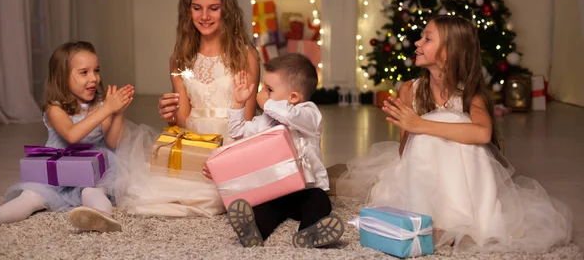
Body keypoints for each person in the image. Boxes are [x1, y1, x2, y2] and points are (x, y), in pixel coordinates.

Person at [338, 15, 572, 252]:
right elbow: (405, 153)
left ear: (448, 53)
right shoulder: (410, 90)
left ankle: (462, 220)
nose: (417, 43)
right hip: (420, 174)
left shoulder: (471, 94)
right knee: (435, 128)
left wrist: (420, 124)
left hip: (464, 177)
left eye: (427, 39)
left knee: (453, 121)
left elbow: (482, 134)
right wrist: (412, 128)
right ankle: (430, 218)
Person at [114, 0, 260, 217]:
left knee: (216, 196)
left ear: (228, 9)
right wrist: (169, 116)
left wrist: (223, 164)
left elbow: (247, 123)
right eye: (197, 8)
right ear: (188, 9)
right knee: (149, 194)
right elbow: (183, 120)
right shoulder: (180, 60)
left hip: (232, 145)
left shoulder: (246, 56)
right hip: (195, 147)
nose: (204, 16)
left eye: (213, 8)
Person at [0, 41, 134, 233]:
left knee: (92, 190)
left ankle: (101, 216)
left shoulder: (100, 105)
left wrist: (117, 112)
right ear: (62, 77)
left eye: (96, 70)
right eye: (84, 72)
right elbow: (72, 135)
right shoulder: (55, 107)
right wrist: (107, 109)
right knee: (32, 197)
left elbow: (112, 141)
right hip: (58, 168)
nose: (94, 78)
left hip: (94, 168)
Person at [222, 54, 344, 248]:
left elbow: (289, 115)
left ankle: (309, 233)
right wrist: (239, 103)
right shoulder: (265, 120)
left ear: (293, 97)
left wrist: (267, 104)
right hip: (274, 189)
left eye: (268, 89)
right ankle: (253, 231)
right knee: (262, 207)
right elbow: (238, 132)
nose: (262, 93)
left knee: (320, 202)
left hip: (305, 190)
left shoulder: (309, 113)